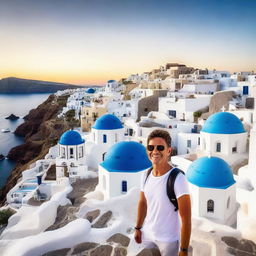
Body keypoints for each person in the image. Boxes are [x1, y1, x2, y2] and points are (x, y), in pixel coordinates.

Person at [134, 129, 191, 256]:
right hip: (147, 236)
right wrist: (138, 228)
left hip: (168, 241)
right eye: (151, 147)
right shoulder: (146, 174)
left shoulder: (178, 179)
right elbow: (143, 202)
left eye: (160, 147)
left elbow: (186, 219)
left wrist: (184, 250)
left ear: (169, 151)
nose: (155, 151)